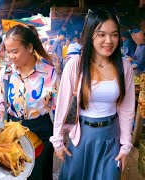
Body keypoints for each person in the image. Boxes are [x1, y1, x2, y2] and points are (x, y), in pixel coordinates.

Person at [50, 9, 135, 180]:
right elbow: (63, 103)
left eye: (114, 35)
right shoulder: (76, 64)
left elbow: (126, 108)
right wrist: (57, 140)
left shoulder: (124, 66)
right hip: (82, 137)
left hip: (111, 137)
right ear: (90, 35)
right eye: (101, 34)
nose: (109, 41)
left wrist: (125, 144)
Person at [0, 25, 59, 180]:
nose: (10, 56)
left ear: (29, 47)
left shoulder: (48, 73)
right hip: (13, 131)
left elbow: (58, 109)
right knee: (16, 174)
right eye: (8, 52)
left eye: (15, 51)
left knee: (39, 174)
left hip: (40, 132)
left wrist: (59, 138)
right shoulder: (7, 72)